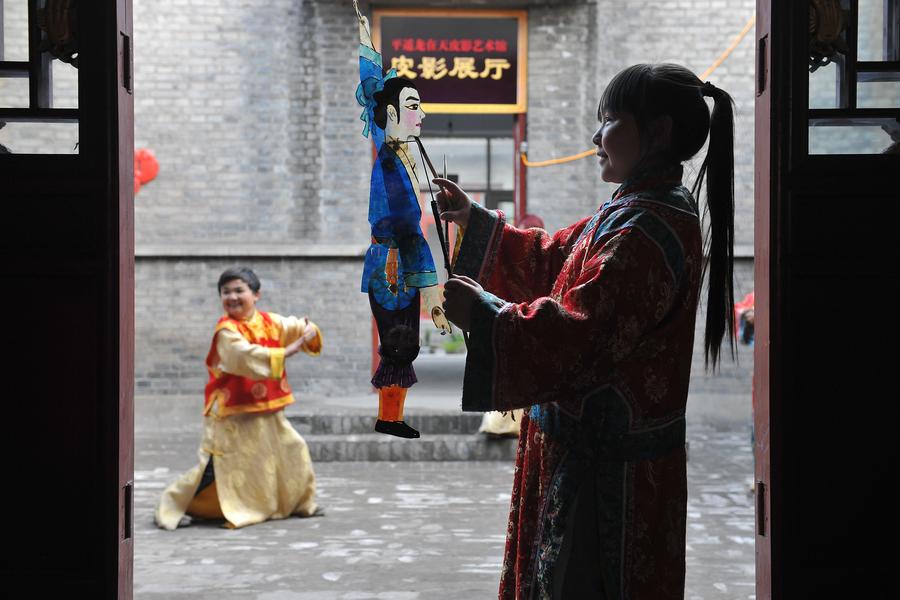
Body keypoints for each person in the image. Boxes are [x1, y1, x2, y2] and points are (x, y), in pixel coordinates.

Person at [437, 64, 736, 598]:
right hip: (590, 455)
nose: (597, 137)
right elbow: (554, 259)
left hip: (608, 476)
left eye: (610, 121)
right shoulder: (633, 211)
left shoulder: (645, 229)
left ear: (659, 132)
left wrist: (485, 315)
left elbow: (581, 333)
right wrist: (472, 219)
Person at [155, 267, 324, 530]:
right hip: (232, 412)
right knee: (218, 467)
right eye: (226, 292)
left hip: (267, 408)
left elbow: (295, 325)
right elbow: (243, 356)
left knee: (291, 449)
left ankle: (298, 504)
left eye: (239, 290)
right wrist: (287, 351)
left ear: (256, 294)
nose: (232, 297)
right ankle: (178, 504)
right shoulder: (226, 330)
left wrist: (309, 328)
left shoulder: (270, 321)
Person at [354, 3, 450, 439]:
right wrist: (432, 289)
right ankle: (388, 418)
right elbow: (409, 230)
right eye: (414, 105)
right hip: (393, 268)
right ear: (392, 114)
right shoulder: (391, 163)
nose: (421, 114)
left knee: (400, 343)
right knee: (399, 342)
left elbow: (374, 91)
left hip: (391, 263)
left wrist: (367, 48)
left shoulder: (393, 152)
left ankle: (390, 417)